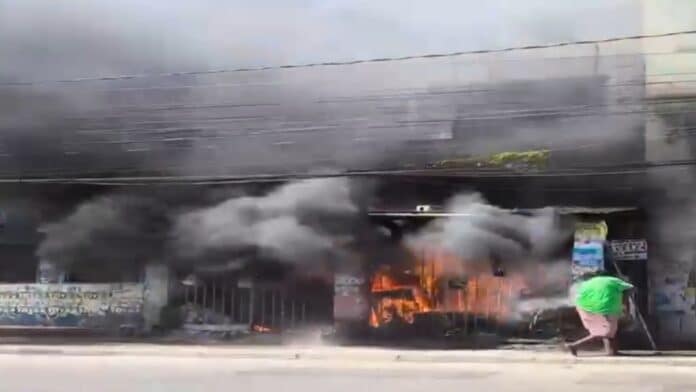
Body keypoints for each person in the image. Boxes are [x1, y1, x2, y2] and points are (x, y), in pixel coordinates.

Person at [565, 272, 634, 356]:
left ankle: (611, 351)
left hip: (584, 308)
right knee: (606, 332)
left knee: (607, 329)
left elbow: (578, 296)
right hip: (604, 307)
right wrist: (626, 305)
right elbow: (630, 289)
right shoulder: (615, 280)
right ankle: (575, 345)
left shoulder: (588, 282)